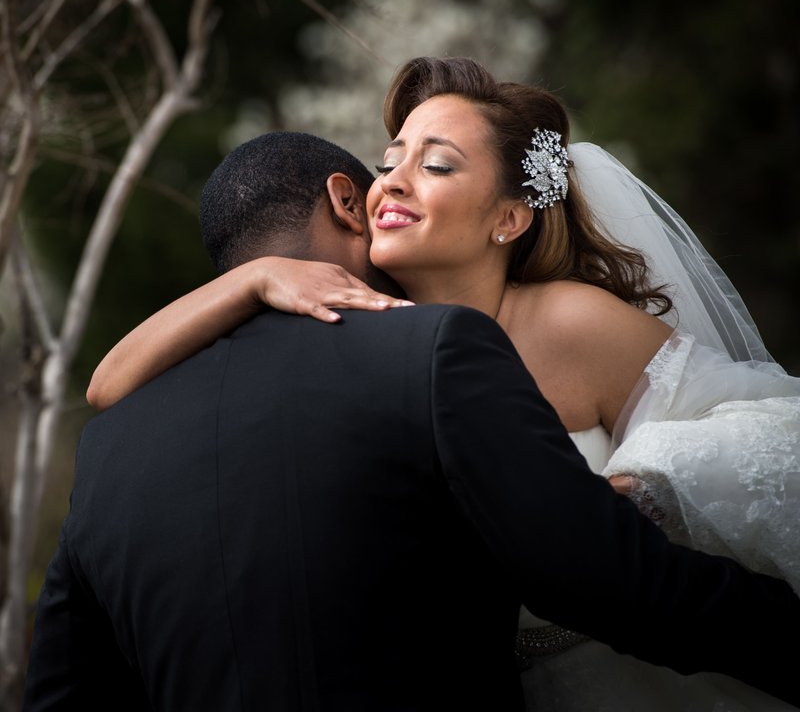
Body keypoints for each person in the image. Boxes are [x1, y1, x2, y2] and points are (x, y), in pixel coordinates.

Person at [84, 59, 800, 711]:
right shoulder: (363, 348)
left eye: (437, 166)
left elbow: (770, 424)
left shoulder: (569, 322)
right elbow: (108, 385)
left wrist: (654, 485)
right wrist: (252, 277)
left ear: (509, 218)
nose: (390, 181)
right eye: (388, 161)